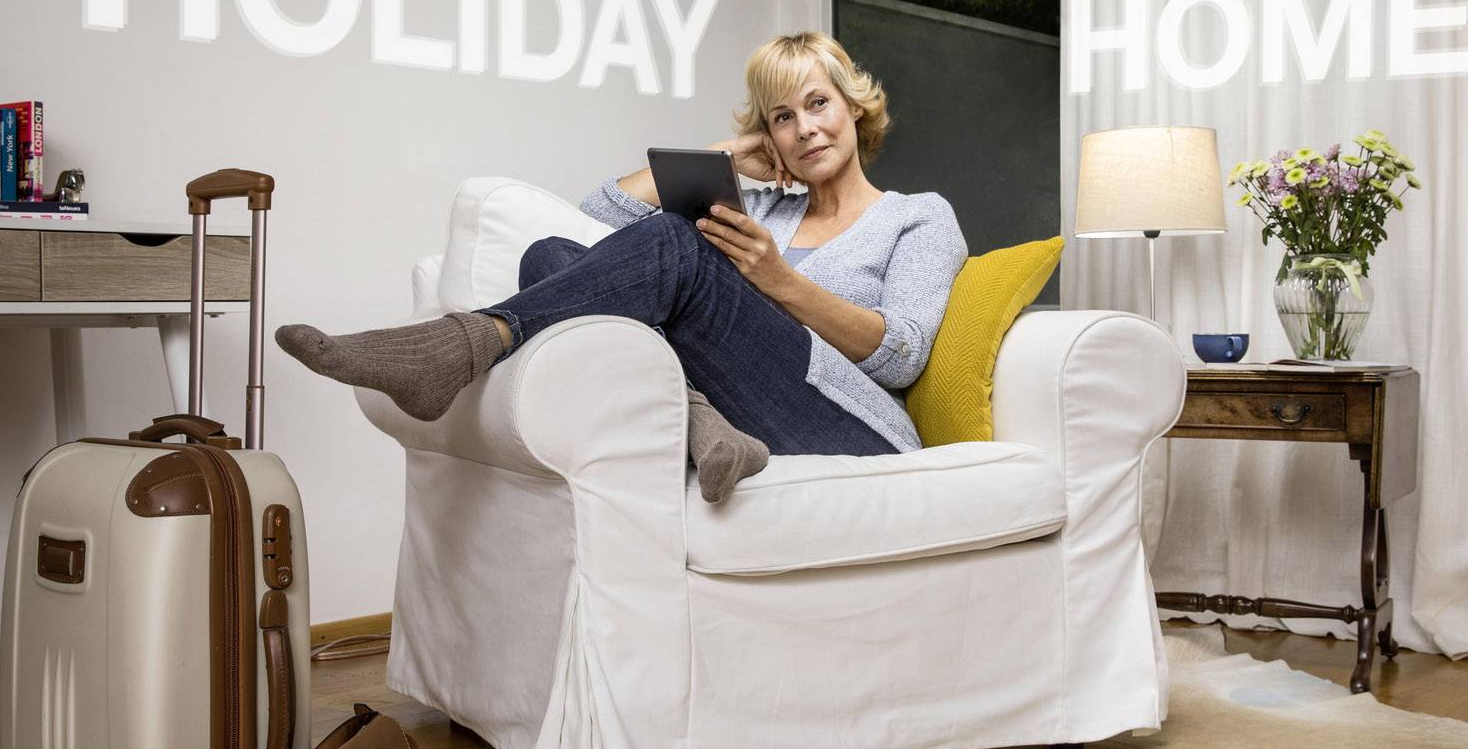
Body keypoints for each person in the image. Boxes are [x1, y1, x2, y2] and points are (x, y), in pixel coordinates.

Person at [277, 31, 967, 501]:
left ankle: (463, 343)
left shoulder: (918, 215)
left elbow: (903, 354)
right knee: (552, 257)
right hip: (752, 404)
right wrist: (727, 155)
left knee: (673, 242)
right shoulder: (770, 209)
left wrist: (775, 280)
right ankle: (702, 420)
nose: (805, 127)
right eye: (782, 116)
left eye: (818, 103)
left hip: (858, 426)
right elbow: (595, 220)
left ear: (853, 105)